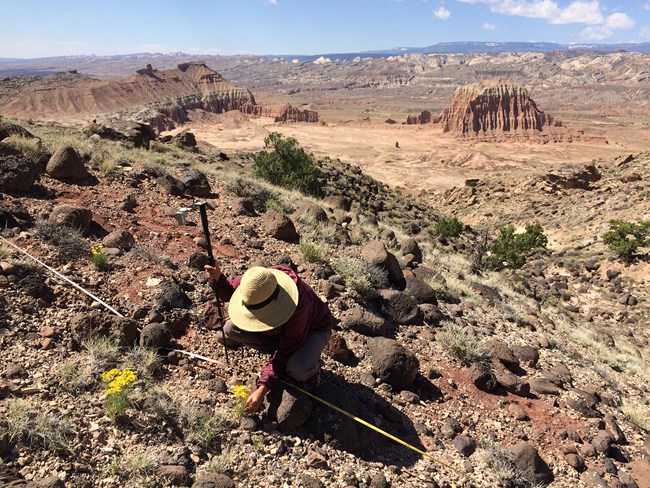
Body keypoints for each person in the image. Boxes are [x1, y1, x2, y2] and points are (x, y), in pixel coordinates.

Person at [204, 263, 333, 414]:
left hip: (313, 329)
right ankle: (279, 362)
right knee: (230, 328)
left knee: (298, 369)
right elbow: (230, 292)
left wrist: (262, 388)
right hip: (282, 331)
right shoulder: (257, 282)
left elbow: (285, 351)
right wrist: (218, 279)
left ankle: (313, 366)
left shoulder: (298, 306)